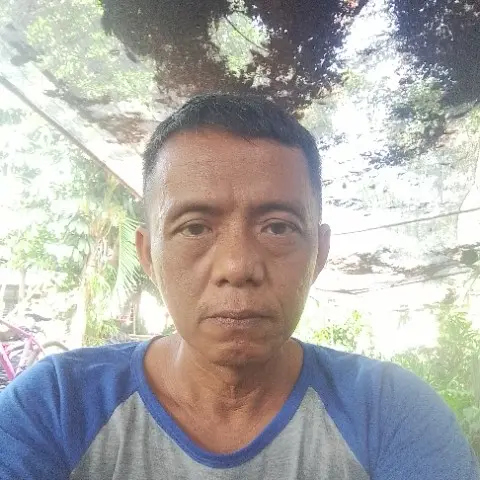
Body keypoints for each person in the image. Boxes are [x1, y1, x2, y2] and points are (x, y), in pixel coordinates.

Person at [0, 94, 477, 480]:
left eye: (278, 227)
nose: (238, 266)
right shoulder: (55, 407)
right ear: (148, 255)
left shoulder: (389, 411)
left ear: (319, 253)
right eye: (194, 228)